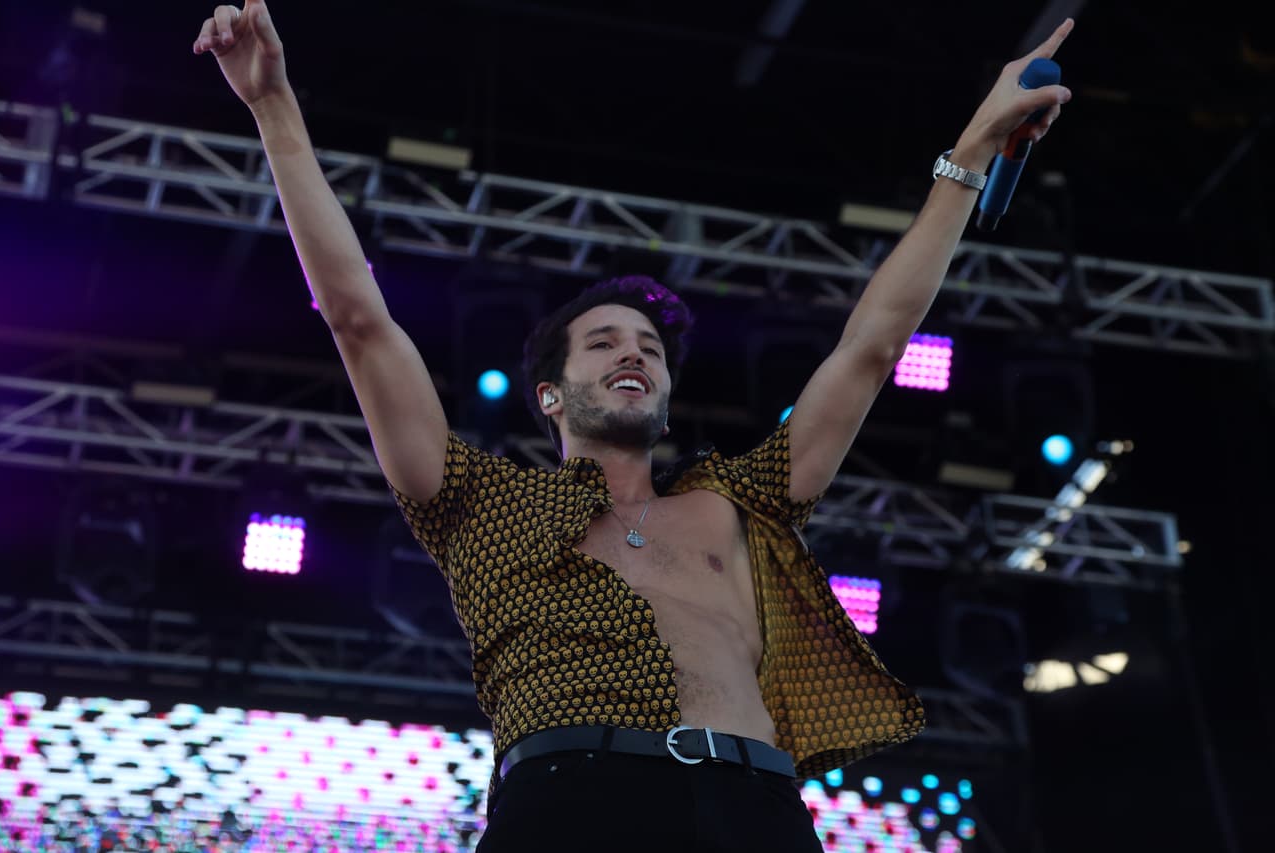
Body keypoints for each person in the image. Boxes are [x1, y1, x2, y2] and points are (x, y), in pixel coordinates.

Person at [193, 3, 1073, 850]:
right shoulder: (476, 499)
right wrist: (272, 105)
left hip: (752, 804)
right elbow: (358, 318)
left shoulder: (744, 502)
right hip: (570, 798)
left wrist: (969, 151)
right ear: (549, 393)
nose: (634, 353)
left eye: (649, 346)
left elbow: (871, 348)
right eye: (604, 341)